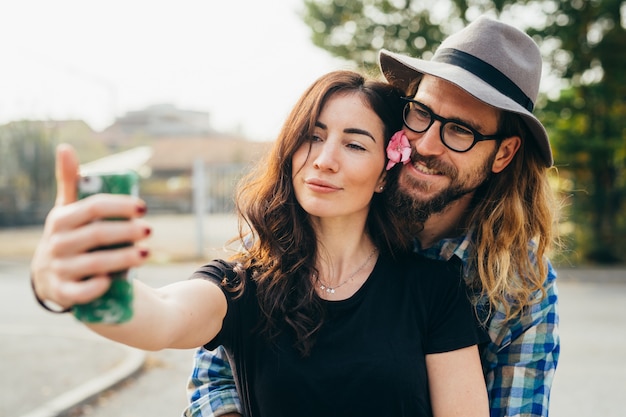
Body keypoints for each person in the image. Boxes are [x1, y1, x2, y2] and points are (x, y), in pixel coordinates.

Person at [30, 70, 489, 417]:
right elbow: (161, 318)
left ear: (385, 176)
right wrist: (79, 285)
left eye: (354, 145)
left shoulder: (433, 289)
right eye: (312, 136)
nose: (324, 161)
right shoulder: (244, 284)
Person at [185, 16, 560, 417]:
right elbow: (217, 370)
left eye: (460, 130)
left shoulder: (519, 283)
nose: (427, 144)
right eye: (422, 113)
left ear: (503, 153)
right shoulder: (327, 210)